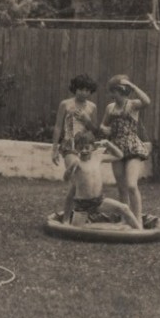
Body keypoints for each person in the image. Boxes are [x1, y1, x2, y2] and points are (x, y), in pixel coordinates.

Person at [99, 74, 151, 226]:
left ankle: (138, 219)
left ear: (122, 91)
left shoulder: (133, 104)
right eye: (113, 92)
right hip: (116, 148)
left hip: (132, 147)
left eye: (115, 91)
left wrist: (133, 86)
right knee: (121, 188)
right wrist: (105, 130)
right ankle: (124, 218)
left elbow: (147, 101)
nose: (113, 95)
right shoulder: (110, 107)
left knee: (131, 185)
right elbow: (103, 125)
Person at [62, 132, 141, 229]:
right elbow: (65, 179)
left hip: (99, 201)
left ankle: (140, 230)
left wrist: (108, 144)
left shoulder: (98, 158)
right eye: (80, 148)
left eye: (87, 147)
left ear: (93, 147)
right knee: (76, 229)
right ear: (76, 148)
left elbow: (119, 156)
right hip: (82, 204)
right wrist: (69, 169)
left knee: (125, 208)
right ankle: (73, 223)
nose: (84, 151)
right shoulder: (77, 162)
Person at [51, 73, 98, 220]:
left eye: (87, 90)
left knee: (86, 182)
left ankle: (84, 215)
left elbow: (93, 130)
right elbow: (58, 127)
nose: (84, 93)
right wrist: (54, 149)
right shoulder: (65, 104)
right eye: (81, 89)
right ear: (74, 89)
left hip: (84, 145)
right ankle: (66, 217)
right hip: (69, 143)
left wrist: (87, 119)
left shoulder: (92, 107)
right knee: (77, 179)